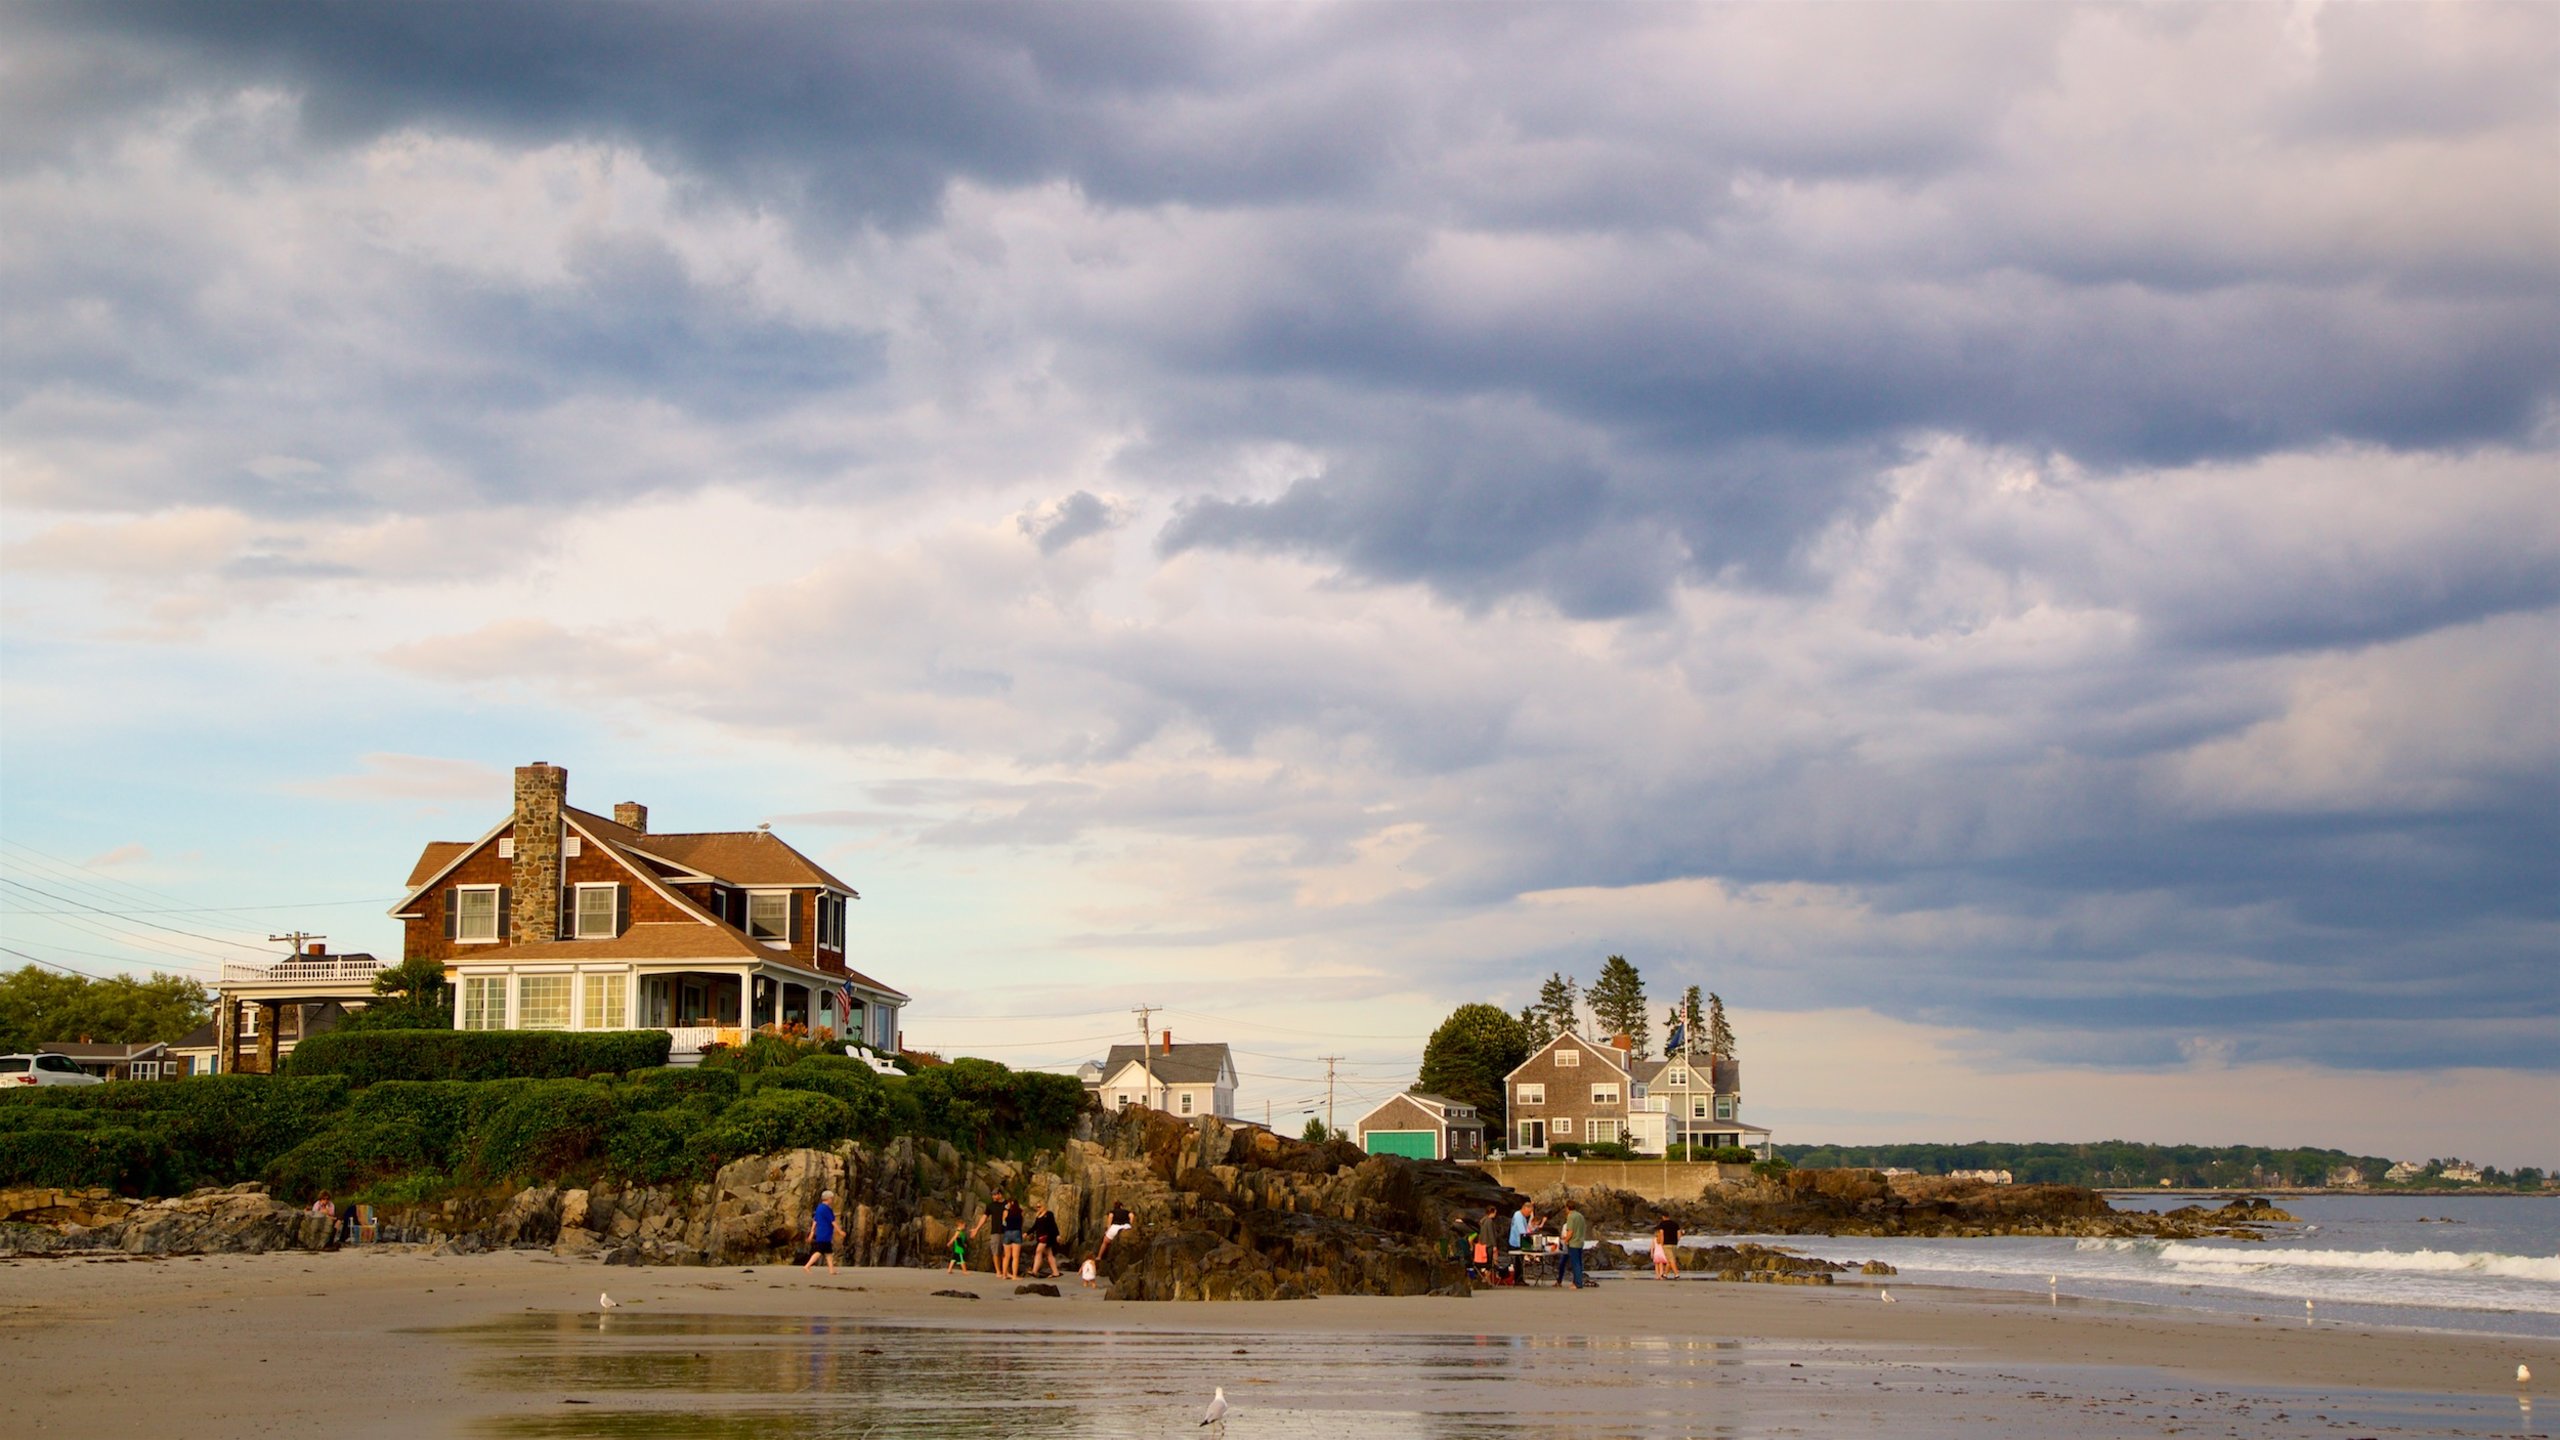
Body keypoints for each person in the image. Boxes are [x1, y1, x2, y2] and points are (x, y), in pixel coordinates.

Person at [1558, 1199, 1592, 1289]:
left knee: (1575, 1263)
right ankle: (1577, 1281)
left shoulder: (1571, 1216)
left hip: (1573, 1243)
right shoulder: (1580, 1216)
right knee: (1579, 1263)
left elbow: (1570, 1231)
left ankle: (1577, 1283)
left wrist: (1565, 1240)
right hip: (1580, 1241)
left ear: (1567, 1207)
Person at [802, 1189, 838, 1274]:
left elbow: (815, 1221)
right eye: (831, 1198)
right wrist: (840, 1231)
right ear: (828, 1199)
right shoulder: (826, 1209)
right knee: (819, 1251)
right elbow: (833, 1221)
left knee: (829, 1253)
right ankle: (807, 1266)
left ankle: (831, 1270)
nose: (832, 1200)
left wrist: (812, 1233)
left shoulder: (819, 1208)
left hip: (822, 1234)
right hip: (824, 1234)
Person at [1027, 1201, 1063, 1278]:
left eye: (1039, 1206)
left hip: (1047, 1237)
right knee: (1049, 1254)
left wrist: (1057, 1235)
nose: (1038, 1208)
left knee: (1038, 1251)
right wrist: (1027, 1233)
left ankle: (1034, 1271)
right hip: (1040, 1237)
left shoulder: (1049, 1214)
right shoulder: (1038, 1215)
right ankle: (1056, 1272)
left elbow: (1054, 1225)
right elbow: (1035, 1226)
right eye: (1037, 1207)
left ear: (1044, 1206)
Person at [1481, 1202, 1511, 1285]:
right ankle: (1487, 1279)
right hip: (1489, 1245)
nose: (1495, 1214)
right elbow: (1491, 1234)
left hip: (1483, 1244)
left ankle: (1487, 1279)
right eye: (1495, 1212)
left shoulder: (1483, 1221)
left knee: (1487, 1263)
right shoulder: (1489, 1221)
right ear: (1492, 1212)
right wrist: (1494, 1245)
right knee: (1490, 1263)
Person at [1000, 1195, 1026, 1280]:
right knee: (1015, 1257)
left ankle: (1004, 1274)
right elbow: (1022, 1223)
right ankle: (1014, 1275)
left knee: (1006, 1256)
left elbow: (1003, 1223)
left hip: (1007, 1232)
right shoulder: (1020, 1212)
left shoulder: (1006, 1212)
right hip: (1017, 1232)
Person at [1652, 1212, 1680, 1279]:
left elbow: (1661, 1234)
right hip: (1674, 1243)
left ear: (1663, 1217)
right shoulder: (1675, 1224)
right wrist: (1677, 1241)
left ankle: (1676, 1274)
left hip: (1666, 1244)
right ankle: (1665, 1274)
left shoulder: (1662, 1224)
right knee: (1670, 1260)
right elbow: (1679, 1234)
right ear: (1669, 1216)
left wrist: (1661, 1243)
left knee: (1671, 1259)